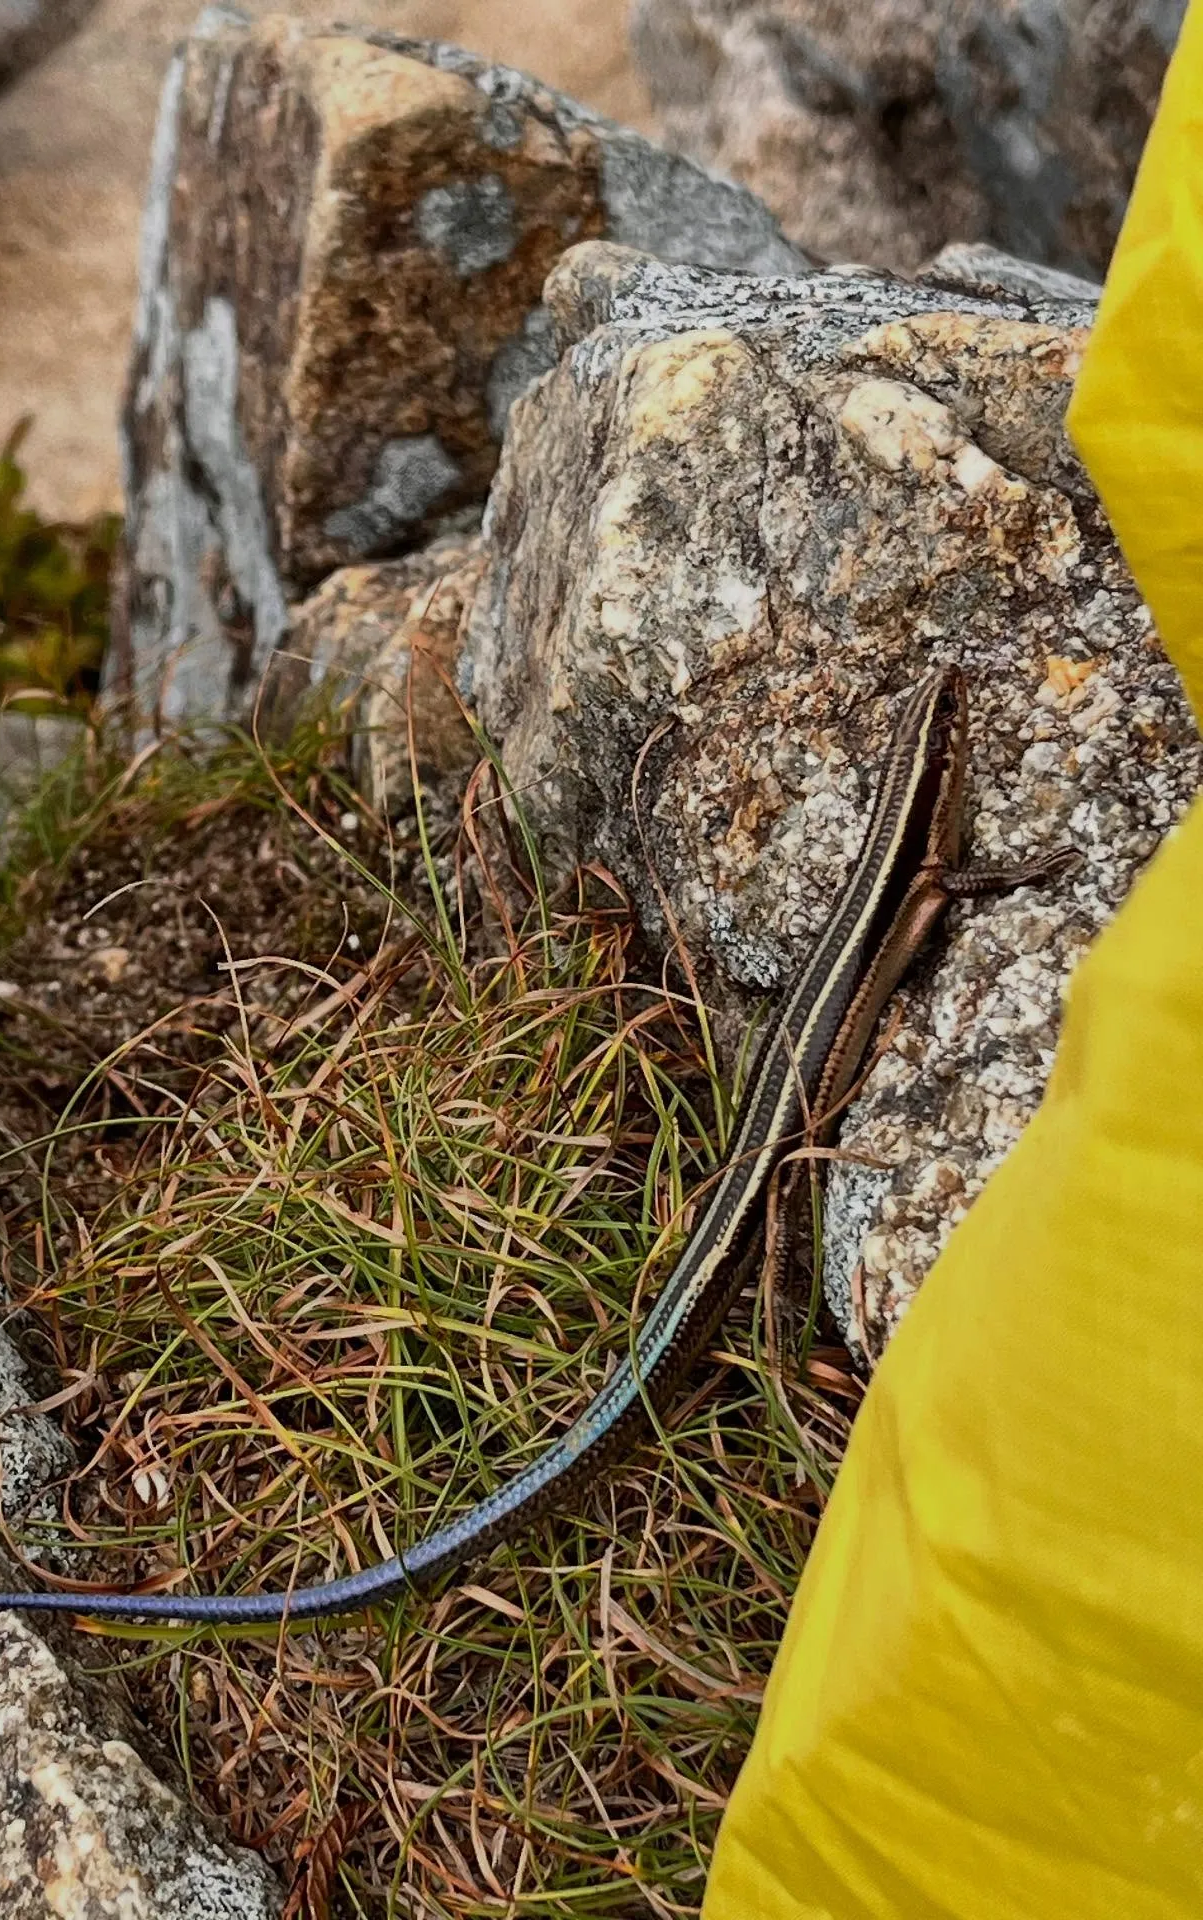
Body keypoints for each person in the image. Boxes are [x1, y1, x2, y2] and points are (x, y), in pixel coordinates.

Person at [702, 8, 1203, 1914]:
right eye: (950, 750)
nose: (957, 745)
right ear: (939, 786)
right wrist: (1011, 872)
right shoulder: (929, 860)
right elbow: (930, 907)